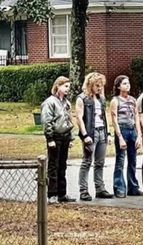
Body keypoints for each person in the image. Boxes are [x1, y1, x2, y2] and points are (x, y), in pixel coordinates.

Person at [76, 72, 113, 201]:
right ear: (90, 84)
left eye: (101, 85)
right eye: (97, 85)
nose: (99, 88)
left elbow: (104, 116)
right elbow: (79, 118)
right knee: (87, 162)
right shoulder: (82, 98)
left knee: (100, 162)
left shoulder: (101, 99)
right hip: (90, 133)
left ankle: (100, 188)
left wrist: (108, 133)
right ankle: (84, 190)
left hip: (102, 131)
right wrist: (85, 135)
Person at [41, 76, 76, 204]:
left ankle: (62, 193)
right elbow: (46, 121)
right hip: (55, 136)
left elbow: (68, 120)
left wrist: (70, 137)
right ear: (58, 86)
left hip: (65, 136)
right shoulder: (50, 102)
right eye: (65, 86)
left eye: (69, 87)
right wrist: (49, 138)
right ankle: (52, 194)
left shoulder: (66, 103)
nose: (67, 89)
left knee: (62, 165)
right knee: (53, 166)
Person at [110, 75, 143, 198]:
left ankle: (133, 187)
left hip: (132, 130)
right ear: (118, 86)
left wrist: (139, 135)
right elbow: (114, 120)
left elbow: (136, 117)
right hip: (122, 130)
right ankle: (119, 187)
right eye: (124, 83)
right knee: (120, 160)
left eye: (128, 83)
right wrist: (120, 137)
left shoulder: (133, 100)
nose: (127, 85)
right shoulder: (115, 101)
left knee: (133, 160)